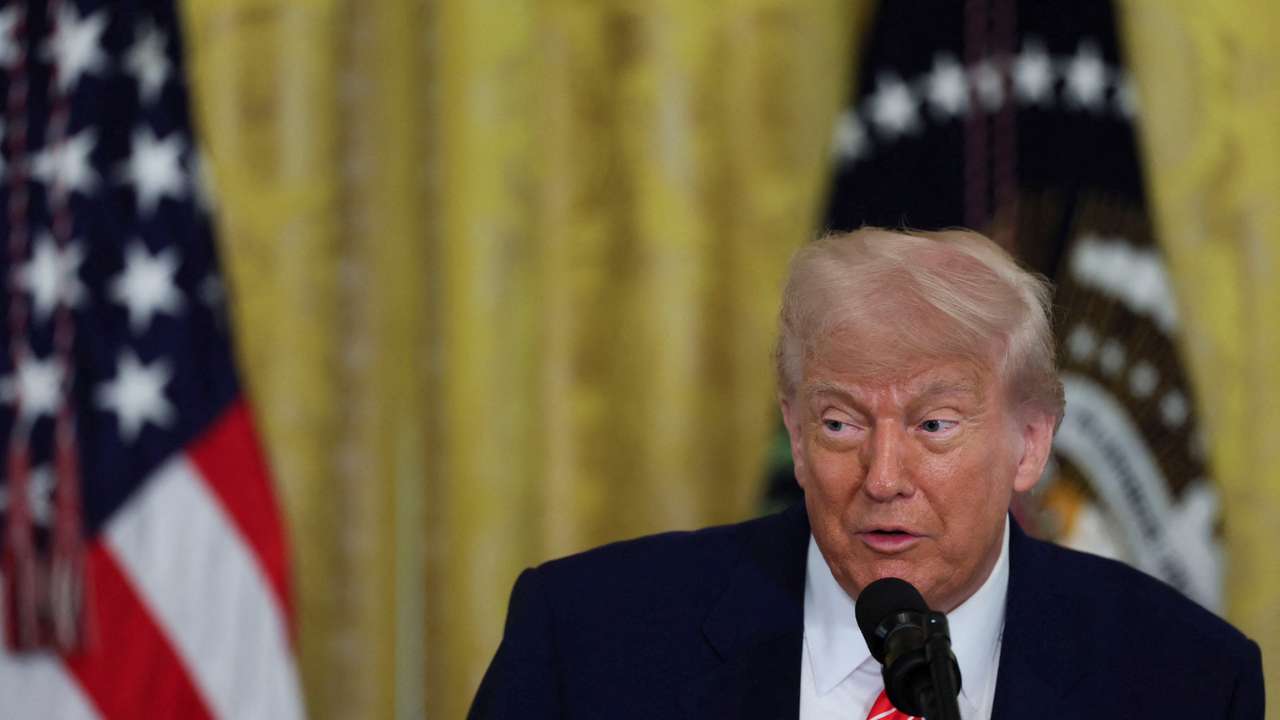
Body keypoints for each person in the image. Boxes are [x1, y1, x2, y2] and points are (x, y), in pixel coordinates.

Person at [469, 228, 1264, 719]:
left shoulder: (1184, 680)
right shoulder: (587, 643)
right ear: (796, 430)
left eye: (934, 425)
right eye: (841, 423)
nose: (883, 477)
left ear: (1029, 445)